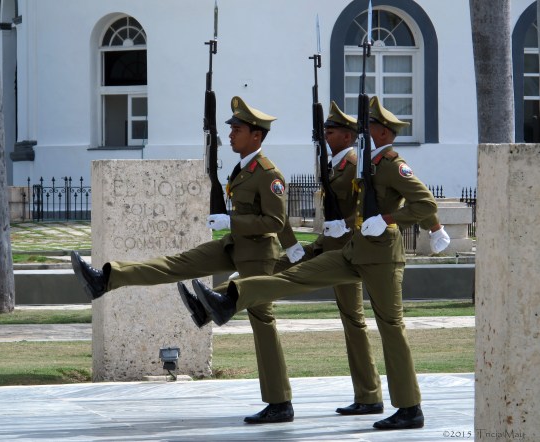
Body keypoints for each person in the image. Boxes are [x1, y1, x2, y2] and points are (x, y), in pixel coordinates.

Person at [190, 96, 450, 431]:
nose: (363, 132)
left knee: (390, 327)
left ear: (383, 133)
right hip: (353, 251)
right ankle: (229, 297)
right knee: (294, 276)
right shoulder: (365, 165)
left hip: (383, 256)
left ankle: (409, 408)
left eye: (368, 127)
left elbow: (425, 203)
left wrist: (389, 218)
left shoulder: (387, 164)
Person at [71, 96, 301, 424]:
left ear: (257, 136)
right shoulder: (242, 169)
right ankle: (106, 279)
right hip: (234, 245)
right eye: (231, 128)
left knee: (262, 323)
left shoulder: (268, 172)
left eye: (238, 128)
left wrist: (234, 223)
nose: (232, 134)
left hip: (258, 255)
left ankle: (280, 402)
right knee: (177, 263)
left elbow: (276, 222)